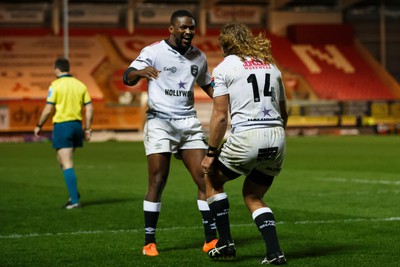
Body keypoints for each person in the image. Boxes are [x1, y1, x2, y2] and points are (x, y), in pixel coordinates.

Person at [122, 10, 217, 256]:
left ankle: (210, 239)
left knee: (205, 178)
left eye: (191, 28)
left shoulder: (199, 57)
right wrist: (140, 73)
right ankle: (149, 242)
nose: (188, 32)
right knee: (157, 180)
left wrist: (227, 101)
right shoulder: (153, 51)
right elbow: (127, 76)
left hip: (188, 124)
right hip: (160, 123)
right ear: (171, 29)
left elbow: (208, 85)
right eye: (183, 27)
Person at [201, 23, 289, 265]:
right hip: (276, 136)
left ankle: (226, 242)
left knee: (212, 179)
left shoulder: (224, 67)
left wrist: (210, 153)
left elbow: (220, 116)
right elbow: (284, 112)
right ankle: (275, 253)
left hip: (247, 137)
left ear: (225, 44)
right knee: (253, 195)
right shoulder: (272, 65)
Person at [34, 58, 94, 210]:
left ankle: (74, 200)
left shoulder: (55, 85)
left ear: (56, 69)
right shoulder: (80, 85)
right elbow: (90, 108)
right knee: (61, 159)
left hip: (62, 125)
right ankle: (74, 194)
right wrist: (87, 128)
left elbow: (48, 109)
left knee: (66, 163)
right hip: (76, 126)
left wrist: (39, 125)